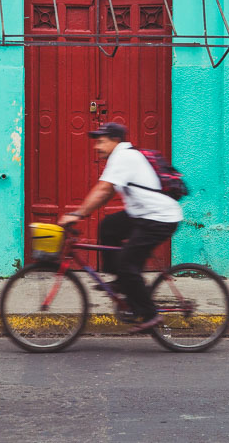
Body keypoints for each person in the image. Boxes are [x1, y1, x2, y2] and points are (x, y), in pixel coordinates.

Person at [57, 121, 182, 333]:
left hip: (159, 218)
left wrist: (78, 214)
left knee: (128, 265)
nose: (96, 147)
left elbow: (104, 190)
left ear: (116, 140)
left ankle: (150, 314)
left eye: (101, 141)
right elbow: (109, 192)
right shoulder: (122, 157)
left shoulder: (124, 157)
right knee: (109, 227)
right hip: (142, 214)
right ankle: (122, 281)